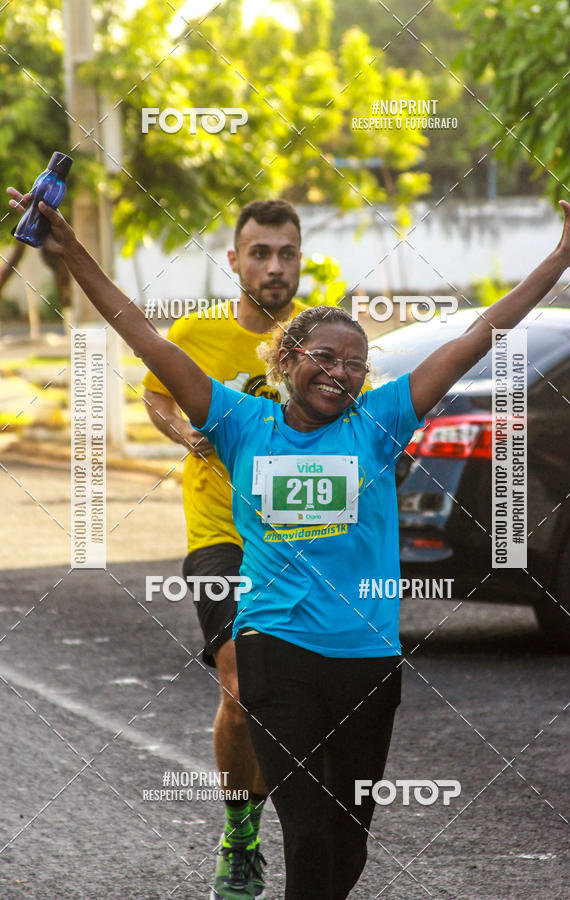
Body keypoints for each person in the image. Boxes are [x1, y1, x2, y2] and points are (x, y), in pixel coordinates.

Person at [7, 183, 570, 899]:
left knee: (346, 844)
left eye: (354, 363)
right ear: (285, 359)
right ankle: (243, 839)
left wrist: (559, 263)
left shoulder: (379, 423)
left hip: (367, 660)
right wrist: (72, 255)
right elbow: (144, 335)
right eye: (323, 356)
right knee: (310, 826)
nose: (339, 371)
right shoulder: (241, 423)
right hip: (274, 648)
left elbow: (478, 336)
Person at [141, 199, 308, 899]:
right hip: (220, 536)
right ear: (234, 261)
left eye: (286, 253)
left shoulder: (315, 336)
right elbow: (156, 394)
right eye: (260, 253)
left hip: (299, 537)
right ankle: (242, 838)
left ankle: (307, 835)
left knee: (288, 698)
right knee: (241, 691)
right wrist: (184, 432)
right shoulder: (195, 333)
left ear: (300, 260)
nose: (274, 266)